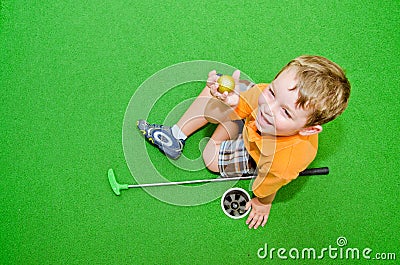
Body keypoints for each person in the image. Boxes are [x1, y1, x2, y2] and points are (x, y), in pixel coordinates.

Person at [137, 55, 351, 229]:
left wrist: (262, 202)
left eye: (285, 111)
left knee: (210, 158)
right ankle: (176, 135)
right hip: (254, 129)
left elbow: (268, 182)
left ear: (309, 129)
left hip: (257, 152)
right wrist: (234, 102)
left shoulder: (285, 160)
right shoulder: (272, 100)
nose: (268, 107)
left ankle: (229, 128)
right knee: (224, 86)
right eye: (272, 91)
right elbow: (253, 98)